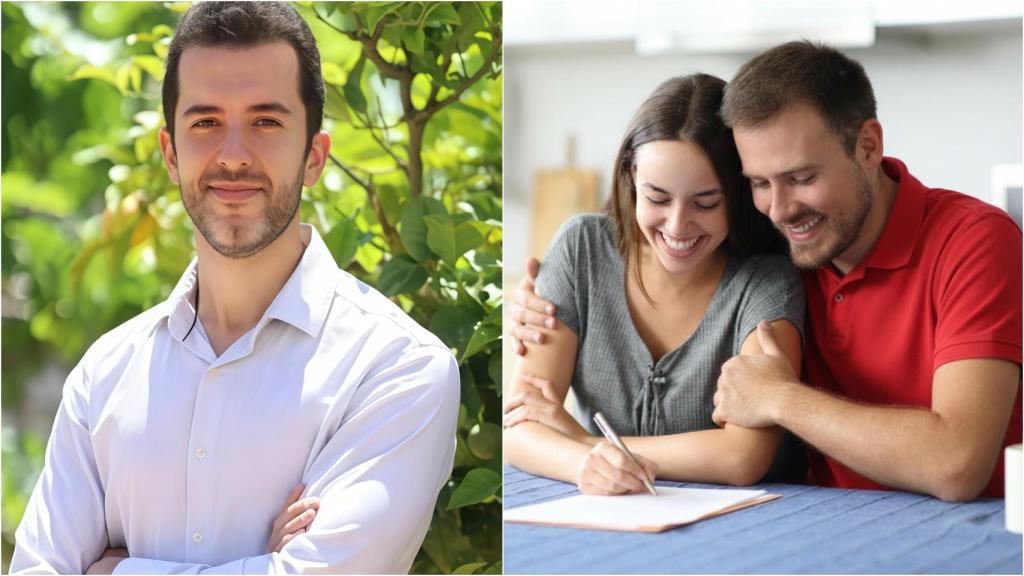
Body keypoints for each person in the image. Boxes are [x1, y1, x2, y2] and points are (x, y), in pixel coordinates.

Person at [11, 3, 459, 574]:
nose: (233, 155)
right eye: (206, 123)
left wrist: (113, 570)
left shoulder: (397, 367)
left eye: (266, 122)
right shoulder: (103, 375)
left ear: (314, 156)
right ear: (171, 154)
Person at [511, 41, 1022, 502]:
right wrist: (525, 302)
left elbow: (957, 465)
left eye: (801, 177)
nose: (778, 210)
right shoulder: (790, 244)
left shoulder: (973, 241)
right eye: (758, 183)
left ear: (868, 146)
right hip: (815, 520)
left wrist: (782, 399)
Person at [503, 74, 807, 495]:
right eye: (658, 198)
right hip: (609, 511)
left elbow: (742, 457)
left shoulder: (767, 282)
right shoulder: (581, 249)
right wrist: (582, 464)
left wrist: (584, 442)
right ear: (631, 176)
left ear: (737, 195)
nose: (678, 226)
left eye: (705, 203)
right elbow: (519, 425)